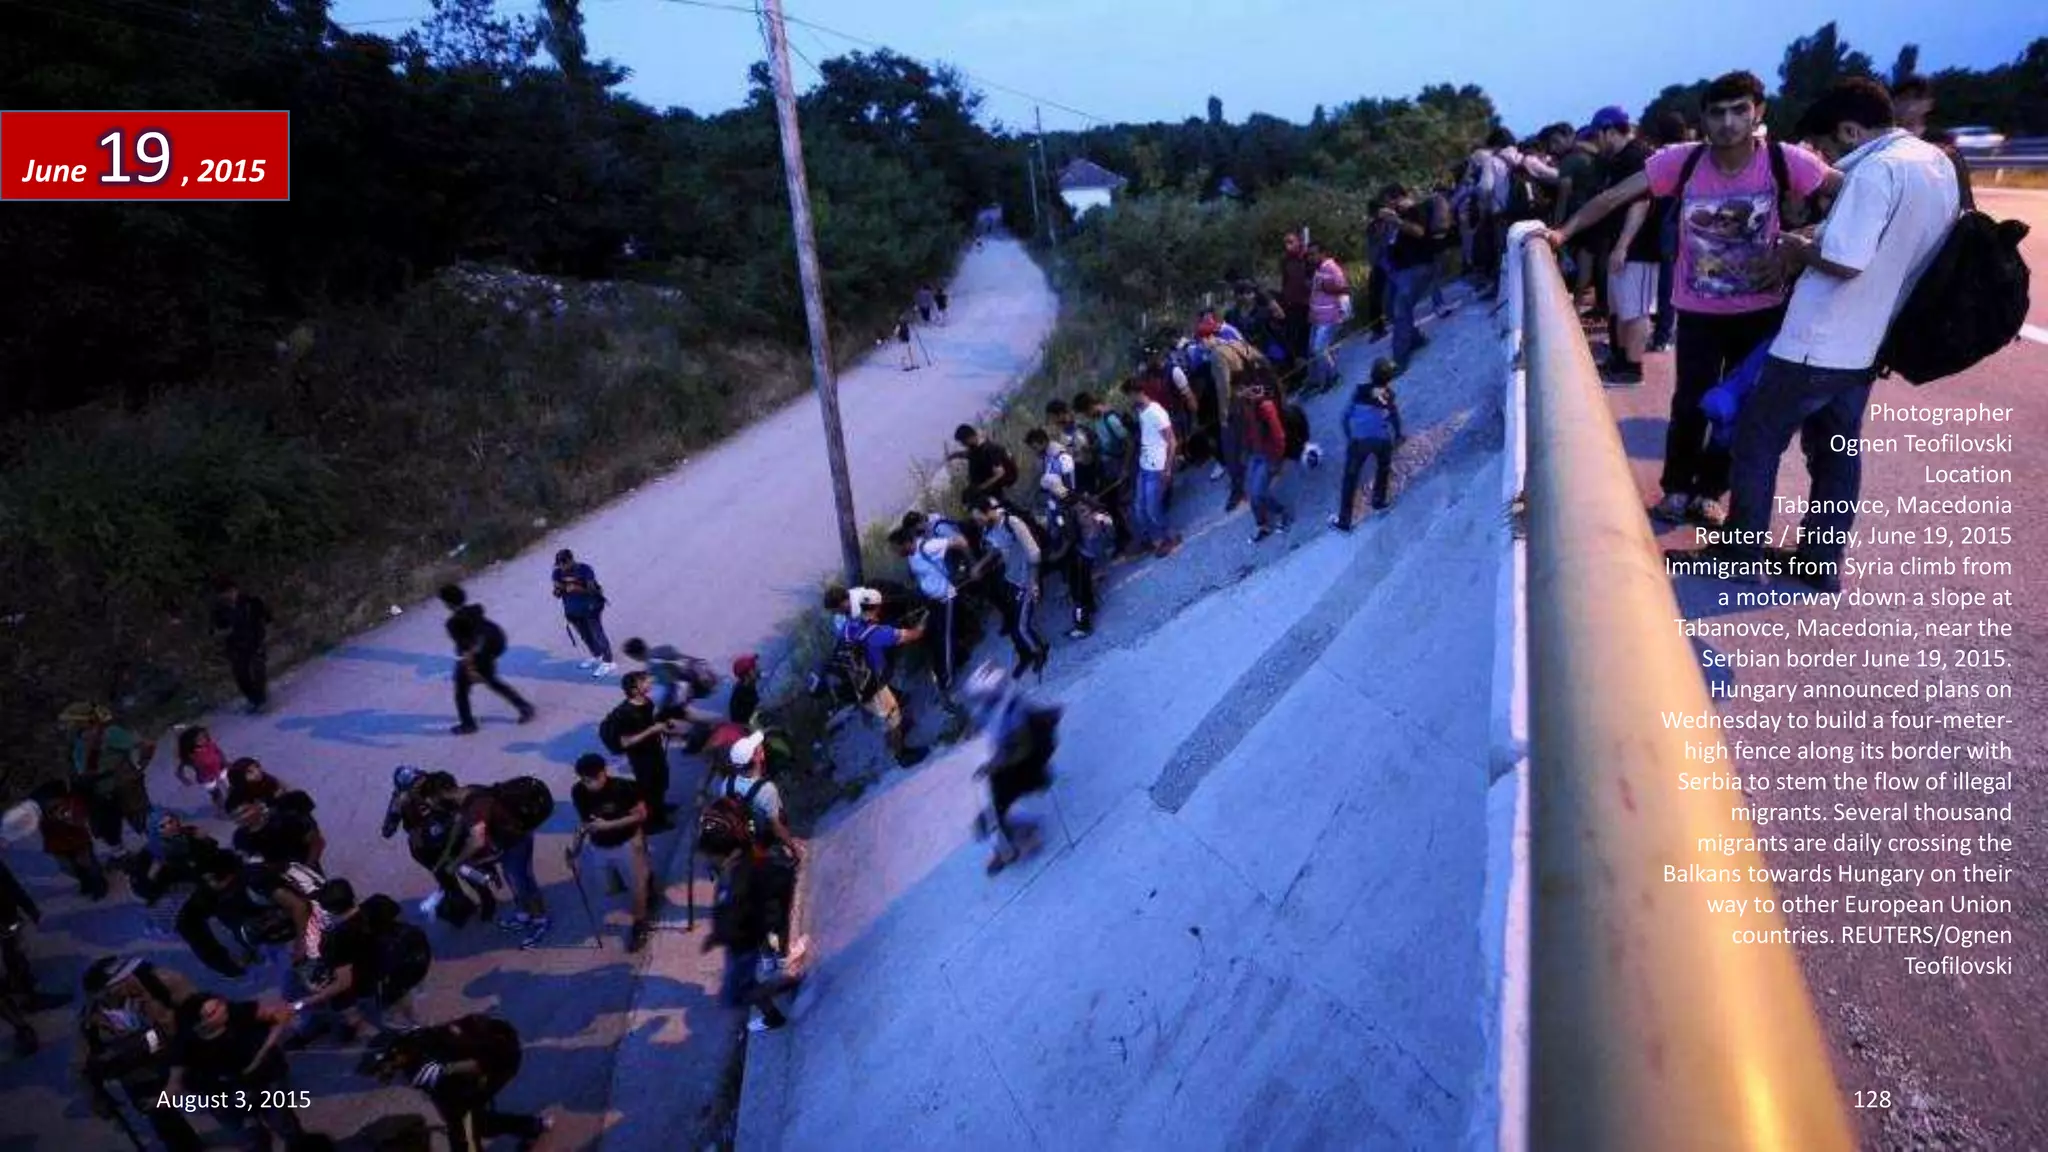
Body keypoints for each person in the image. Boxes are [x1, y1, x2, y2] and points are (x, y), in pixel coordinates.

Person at [1681, 78, 1960, 592]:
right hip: (1870, 340)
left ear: (1850, 130)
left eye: (1827, 147)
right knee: (1837, 449)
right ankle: (1820, 558)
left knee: (1756, 437)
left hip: (1819, 340)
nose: (1825, 159)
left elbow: (1846, 259)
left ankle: (1741, 552)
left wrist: (1795, 247)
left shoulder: (1875, 172)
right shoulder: (1935, 163)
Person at [1538, 71, 1839, 528]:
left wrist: (1802, 241)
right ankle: (1677, 488)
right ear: (1704, 119)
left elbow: (1855, 196)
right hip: (1699, 311)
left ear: (1758, 112)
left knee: (1740, 408)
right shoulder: (1683, 162)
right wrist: (1563, 232)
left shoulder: (1784, 160)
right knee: (1690, 402)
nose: (1728, 122)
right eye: (1717, 113)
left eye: (1739, 110)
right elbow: (1614, 197)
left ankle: (1710, 492)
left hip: (1761, 310)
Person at [358, 1013, 552, 1150]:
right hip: (479, 1061)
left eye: (384, 1066)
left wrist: (457, 1078)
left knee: (465, 1128)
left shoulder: (424, 1066)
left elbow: (473, 1068)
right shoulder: (415, 1043)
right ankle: (531, 1126)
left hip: (497, 1064)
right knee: (475, 1123)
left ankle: (530, 1126)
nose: (383, 1074)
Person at [78, 956, 202, 1151]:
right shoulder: (90, 1023)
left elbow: (193, 1012)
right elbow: (83, 1066)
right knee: (165, 1118)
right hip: (140, 1075)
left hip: (178, 1055)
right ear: (107, 992)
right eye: (122, 979)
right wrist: (97, 1097)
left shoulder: (155, 986)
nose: (131, 979)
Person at [291, 879, 430, 1038]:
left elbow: (343, 983)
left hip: (384, 977)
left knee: (381, 1010)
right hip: (414, 957)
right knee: (400, 990)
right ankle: (413, 1019)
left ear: (329, 911)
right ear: (353, 896)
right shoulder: (379, 902)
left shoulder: (337, 939)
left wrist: (305, 1002)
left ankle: (404, 1031)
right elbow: (402, 924)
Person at [167, 994, 308, 1148]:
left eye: (220, 1004)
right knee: (250, 1137)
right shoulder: (186, 1045)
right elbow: (176, 1079)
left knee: (283, 1123)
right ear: (199, 1025)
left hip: (266, 1078)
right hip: (224, 1093)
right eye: (212, 1013)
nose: (222, 1010)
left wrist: (274, 1030)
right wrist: (163, 1099)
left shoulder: (238, 1012)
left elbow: (278, 1014)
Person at [700, 834, 808, 1034]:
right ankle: (776, 1005)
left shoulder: (739, 877)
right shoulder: (732, 871)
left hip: (742, 944)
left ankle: (782, 990)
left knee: (736, 995)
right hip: (740, 943)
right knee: (745, 985)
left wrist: (719, 936)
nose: (708, 861)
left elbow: (739, 915)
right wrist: (715, 936)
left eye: (710, 856)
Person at [1585, 107, 1662, 386]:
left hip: (1639, 247)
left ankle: (1632, 367)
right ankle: (1619, 359)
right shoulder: (1619, 159)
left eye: (1597, 135)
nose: (1596, 142)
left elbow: (1641, 203)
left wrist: (1622, 246)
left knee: (1636, 311)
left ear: (1609, 131)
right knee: (1620, 308)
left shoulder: (1636, 157)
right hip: (1622, 246)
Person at [960, 665, 1060, 875]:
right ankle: (1008, 835)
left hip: (1024, 766)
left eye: (981, 696)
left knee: (997, 804)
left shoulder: (1014, 712)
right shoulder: (990, 707)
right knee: (995, 804)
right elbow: (982, 722)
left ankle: (1020, 841)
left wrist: (994, 765)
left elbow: (1022, 750)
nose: (978, 701)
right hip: (1007, 761)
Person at [441, 779, 551, 948]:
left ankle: (540, 921)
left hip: (515, 843)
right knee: (515, 880)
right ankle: (524, 915)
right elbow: (459, 822)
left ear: (443, 792)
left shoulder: (475, 805)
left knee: (523, 883)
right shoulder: (470, 790)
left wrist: (456, 862)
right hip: (513, 838)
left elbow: (477, 841)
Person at [384, 765, 499, 925]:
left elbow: (458, 805)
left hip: (451, 838)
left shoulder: (434, 785)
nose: (419, 784)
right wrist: (397, 808)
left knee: (469, 871)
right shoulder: (400, 800)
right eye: (414, 784)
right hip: (426, 849)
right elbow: (387, 831)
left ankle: (488, 901)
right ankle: (462, 907)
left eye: (420, 780)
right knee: (447, 881)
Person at [831, 588, 932, 768]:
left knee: (891, 711)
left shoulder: (848, 626)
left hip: (858, 681)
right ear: (877, 607)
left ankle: (897, 734)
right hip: (874, 686)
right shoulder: (878, 633)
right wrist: (925, 618)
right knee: (892, 717)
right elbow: (916, 634)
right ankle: (901, 755)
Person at [571, 754, 654, 952]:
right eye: (585, 780)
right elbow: (585, 823)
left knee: (636, 886)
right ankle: (645, 878)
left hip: (625, 842)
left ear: (603, 773)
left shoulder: (623, 788)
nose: (590, 784)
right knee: (610, 887)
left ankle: (640, 924)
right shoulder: (579, 792)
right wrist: (575, 849)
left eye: (593, 779)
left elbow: (641, 815)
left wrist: (609, 825)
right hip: (599, 845)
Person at [1023, 428, 1101, 639]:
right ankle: (1090, 606)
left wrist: (1057, 554)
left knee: (1078, 583)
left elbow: (1071, 535)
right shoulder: (1052, 464)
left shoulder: (1065, 505)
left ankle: (1082, 624)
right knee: (1080, 578)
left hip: (1074, 544)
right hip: (1074, 541)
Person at [60, 702, 155, 859]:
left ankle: (161, 850)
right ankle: (124, 858)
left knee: (145, 824)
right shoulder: (77, 742)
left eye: (73, 721)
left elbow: (145, 746)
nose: (70, 725)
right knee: (110, 833)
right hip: (98, 794)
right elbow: (79, 769)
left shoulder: (110, 733)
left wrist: (138, 767)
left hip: (123, 787)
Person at [969, 496, 1049, 678]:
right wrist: (980, 566)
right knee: (1014, 622)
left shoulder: (1012, 523)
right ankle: (1026, 653)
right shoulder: (988, 530)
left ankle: (1039, 651)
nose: (977, 523)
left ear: (988, 511)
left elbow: (1034, 553)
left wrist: (1034, 582)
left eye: (979, 518)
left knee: (1021, 626)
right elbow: (996, 549)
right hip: (1011, 579)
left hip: (1025, 580)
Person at [604, 671, 694, 831]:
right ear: (634, 690)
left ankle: (660, 807)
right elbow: (625, 742)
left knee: (661, 781)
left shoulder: (647, 702)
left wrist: (663, 724)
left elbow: (650, 722)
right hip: (641, 758)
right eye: (644, 681)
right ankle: (652, 822)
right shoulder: (624, 713)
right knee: (649, 788)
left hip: (654, 750)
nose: (649, 682)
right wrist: (652, 730)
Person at [440, 584, 535, 735]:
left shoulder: (453, 623)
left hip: (475, 657)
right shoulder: (475, 610)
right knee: (494, 682)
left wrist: (470, 669)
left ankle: (468, 724)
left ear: (447, 603)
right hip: (489, 651)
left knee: (461, 690)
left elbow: (466, 648)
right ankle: (524, 706)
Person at [891, 523, 971, 695]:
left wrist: (969, 564)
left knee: (945, 639)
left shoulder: (927, 547)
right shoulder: (911, 556)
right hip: (934, 601)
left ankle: (947, 679)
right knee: (937, 637)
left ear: (906, 543)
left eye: (896, 548)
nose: (895, 552)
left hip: (947, 597)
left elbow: (960, 541)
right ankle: (960, 658)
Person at [1378, 184, 1450, 369]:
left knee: (1401, 308)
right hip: (1399, 270)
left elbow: (1419, 232)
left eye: (1387, 201)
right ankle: (1415, 338)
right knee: (1388, 307)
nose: (1387, 206)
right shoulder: (1398, 216)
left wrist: (1396, 221)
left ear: (1395, 198)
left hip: (1417, 266)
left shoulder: (1416, 210)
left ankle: (1400, 359)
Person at [1332, 361, 1403, 531]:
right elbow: (1394, 417)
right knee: (1383, 466)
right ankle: (1378, 501)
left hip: (1359, 440)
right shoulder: (1388, 395)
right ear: (1389, 379)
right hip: (1381, 439)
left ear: (1371, 374)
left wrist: (1350, 437)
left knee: (1350, 478)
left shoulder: (1359, 391)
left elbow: (1344, 417)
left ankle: (1344, 520)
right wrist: (1398, 435)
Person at [1892, 74, 1974, 211]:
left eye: (1916, 98)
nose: (1909, 105)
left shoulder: (1942, 142)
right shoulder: (1886, 141)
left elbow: (1963, 195)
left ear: (1928, 104)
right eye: (1902, 98)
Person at [1119, 376, 1180, 557]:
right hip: (1145, 466)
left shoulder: (1155, 412)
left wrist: (1167, 469)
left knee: (1153, 508)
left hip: (1158, 467)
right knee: (1140, 508)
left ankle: (1171, 536)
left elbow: (1172, 441)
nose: (1128, 400)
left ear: (1135, 393)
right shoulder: (1141, 412)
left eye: (1128, 396)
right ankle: (1157, 539)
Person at [24, 778, 109, 900]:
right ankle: (86, 882)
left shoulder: (69, 801)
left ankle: (99, 884)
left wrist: (66, 816)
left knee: (88, 863)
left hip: (77, 839)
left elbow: (79, 818)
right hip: (57, 843)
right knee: (69, 867)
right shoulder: (39, 807)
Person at [1, 859, 46, 1056]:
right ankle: (21, 1024)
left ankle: (28, 997)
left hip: (5, 918)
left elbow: (7, 881)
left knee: (15, 955)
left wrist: (28, 907)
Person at [210, 576, 273, 713]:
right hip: (236, 646)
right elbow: (214, 630)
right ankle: (253, 699)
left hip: (255, 641)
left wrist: (263, 629)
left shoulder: (251, 602)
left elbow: (267, 617)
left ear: (236, 590)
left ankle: (261, 699)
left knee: (258, 670)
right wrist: (223, 632)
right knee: (241, 675)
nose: (229, 596)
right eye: (225, 594)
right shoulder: (219, 611)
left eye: (231, 591)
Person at [552, 548, 616, 677]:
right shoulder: (557, 573)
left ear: (571, 560)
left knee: (597, 633)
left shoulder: (585, 569)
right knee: (585, 635)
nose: (562, 566)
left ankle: (608, 662)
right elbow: (557, 593)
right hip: (572, 611)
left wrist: (577, 588)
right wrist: (558, 591)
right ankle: (597, 655)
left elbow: (593, 591)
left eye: (564, 563)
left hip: (591, 608)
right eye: (559, 564)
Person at [1304, 241, 1351, 392]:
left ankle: (1333, 376)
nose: (1311, 257)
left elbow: (1344, 288)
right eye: (1309, 255)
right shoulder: (1318, 269)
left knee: (1320, 348)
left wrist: (1343, 313)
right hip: (1317, 317)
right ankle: (1316, 380)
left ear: (1322, 253)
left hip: (1330, 316)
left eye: (1313, 254)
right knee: (1312, 349)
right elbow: (1316, 292)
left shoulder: (1331, 267)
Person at [949, 424, 1020, 508]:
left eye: (964, 442)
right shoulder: (975, 450)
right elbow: (971, 455)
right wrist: (956, 455)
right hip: (986, 490)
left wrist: (981, 488)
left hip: (996, 491)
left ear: (970, 437)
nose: (963, 445)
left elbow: (1000, 473)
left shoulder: (989, 450)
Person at [174, 725, 232, 811]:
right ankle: (221, 809)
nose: (203, 740)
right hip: (206, 777)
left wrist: (225, 761)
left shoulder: (210, 745)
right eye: (199, 739)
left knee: (229, 786)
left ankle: (235, 801)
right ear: (192, 742)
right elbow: (180, 769)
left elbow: (219, 752)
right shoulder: (191, 755)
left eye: (204, 737)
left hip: (220, 768)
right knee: (216, 794)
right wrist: (184, 779)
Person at [1278, 231, 1314, 363]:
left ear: (1298, 242)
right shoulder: (1285, 261)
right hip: (1291, 304)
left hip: (1307, 303)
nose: (1287, 246)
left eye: (1291, 242)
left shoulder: (1307, 257)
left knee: (1308, 336)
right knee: (1294, 337)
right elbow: (1285, 281)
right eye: (1285, 243)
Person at [728, 653, 762, 728]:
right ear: (747, 674)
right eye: (754, 668)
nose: (758, 670)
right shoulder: (743, 692)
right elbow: (752, 719)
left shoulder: (748, 688)